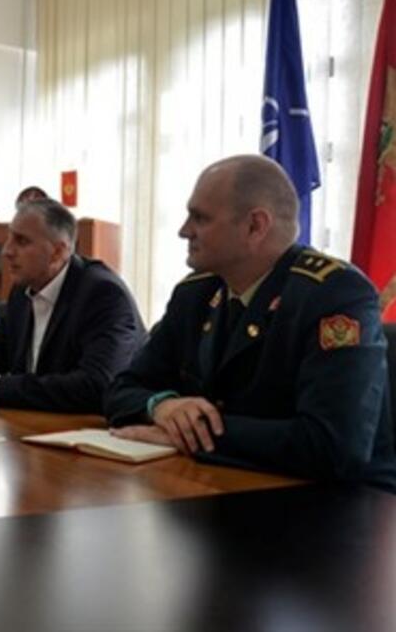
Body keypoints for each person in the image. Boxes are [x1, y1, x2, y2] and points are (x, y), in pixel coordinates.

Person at [105, 154, 396, 491]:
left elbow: (333, 445)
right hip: (227, 488)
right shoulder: (195, 293)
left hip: (342, 508)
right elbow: (121, 388)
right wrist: (162, 407)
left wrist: (193, 434)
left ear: (255, 226)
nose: (184, 231)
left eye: (199, 218)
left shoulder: (333, 293)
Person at [0, 199, 145, 411]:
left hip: (92, 430)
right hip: (38, 424)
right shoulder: (23, 290)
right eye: (9, 238)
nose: (6, 251)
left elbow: (96, 385)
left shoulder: (103, 294)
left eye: (22, 241)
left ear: (57, 252)